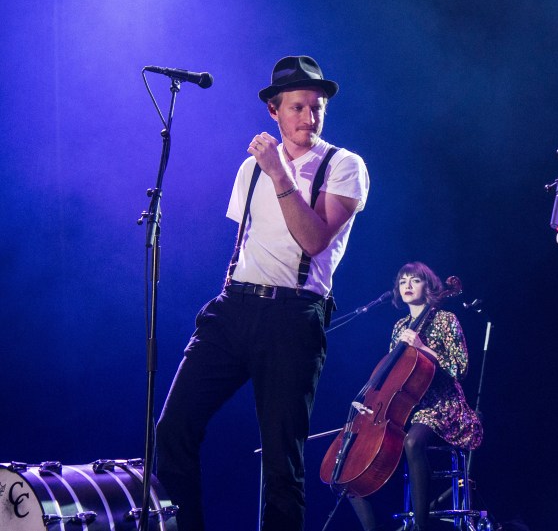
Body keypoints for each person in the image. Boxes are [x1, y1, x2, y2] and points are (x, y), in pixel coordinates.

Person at [155, 55, 370, 530]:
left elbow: (312, 240)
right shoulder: (248, 169)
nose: (308, 118)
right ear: (274, 111)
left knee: (281, 459)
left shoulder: (344, 166)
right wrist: (229, 296)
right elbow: (250, 240)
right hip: (235, 307)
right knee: (173, 429)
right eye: (297, 108)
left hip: (295, 315)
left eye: (316, 108)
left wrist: (279, 172)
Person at [349, 261, 483, 531]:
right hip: (409, 405)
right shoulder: (399, 327)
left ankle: (422, 525)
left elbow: (460, 368)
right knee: (357, 454)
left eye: (415, 280)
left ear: (429, 286)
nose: (408, 286)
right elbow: (391, 373)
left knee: (411, 443)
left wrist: (423, 348)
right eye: (403, 281)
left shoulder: (446, 320)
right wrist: (369, 399)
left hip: (444, 405)